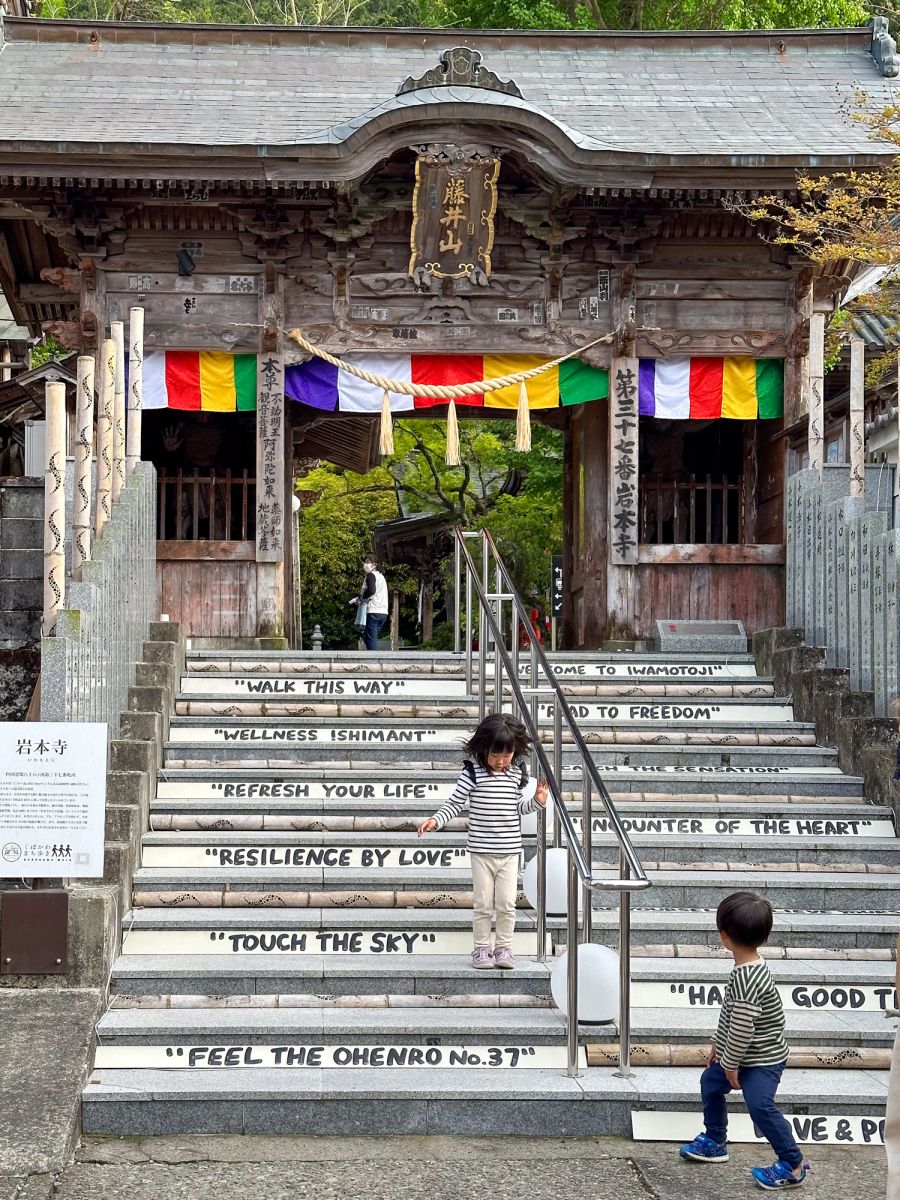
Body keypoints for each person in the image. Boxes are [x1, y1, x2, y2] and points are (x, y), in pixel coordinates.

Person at [678, 891, 810, 1191]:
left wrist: (730, 1065)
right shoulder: (746, 968)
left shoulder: (748, 977)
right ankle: (715, 1140)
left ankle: (793, 1163)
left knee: (760, 1105)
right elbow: (731, 1016)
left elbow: (743, 1029)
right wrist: (717, 1044)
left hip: (763, 1059)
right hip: (739, 1053)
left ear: (723, 935)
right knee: (709, 1084)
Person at [417, 713, 548, 971]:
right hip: (482, 852)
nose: (500, 761)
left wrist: (537, 802)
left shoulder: (515, 775)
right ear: (482, 749)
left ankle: (504, 947)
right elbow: (455, 803)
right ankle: (481, 948)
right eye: (494, 755)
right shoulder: (472, 774)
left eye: (506, 755)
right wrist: (436, 820)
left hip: (510, 852)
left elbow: (518, 808)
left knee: (507, 904)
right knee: (484, 904)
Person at [349, 555, 389, 651]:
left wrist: (360, 599)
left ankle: (374, 662)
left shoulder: (371, 575)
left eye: (367, 562)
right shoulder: (381, 577)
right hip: (383, 613)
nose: (365, 564)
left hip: (373, 611)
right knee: (368, 637)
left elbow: (371, 590)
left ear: (374, 565)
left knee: (370, 639)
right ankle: (373, 658)